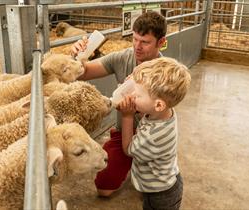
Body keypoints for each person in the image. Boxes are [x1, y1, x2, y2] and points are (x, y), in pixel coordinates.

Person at [71, 11, 167, 197]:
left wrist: (134, 109)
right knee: (104, 188)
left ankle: (140, 160)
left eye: (145, 42)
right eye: (135, 39)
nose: (137, 47)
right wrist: (77, 56)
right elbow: (84, 72)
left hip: (151, 136)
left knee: (155, 189)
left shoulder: (166, 72)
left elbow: (164, 114)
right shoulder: (123, 57)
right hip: (123, 132)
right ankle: (128, 160)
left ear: (161, 42)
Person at [118, 57, 191, 210]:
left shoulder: (153, 137)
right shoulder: (165, 111)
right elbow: (148, 106)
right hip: (166, 182)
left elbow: (127, 149)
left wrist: (127, 116)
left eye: (137, 95)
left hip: (160, 195)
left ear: (158, 105)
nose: (132, 95)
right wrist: (136, 83)